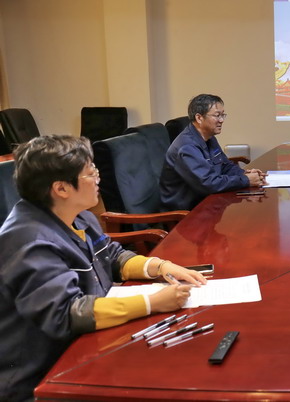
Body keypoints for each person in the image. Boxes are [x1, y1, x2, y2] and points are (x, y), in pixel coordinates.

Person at [0, 136, 207, 401]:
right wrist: (151, 303)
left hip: (87, 347)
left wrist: (160, 266)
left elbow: (112, 256)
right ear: (61, 188)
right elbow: (67, 313)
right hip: (41, 379)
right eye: (90, 172)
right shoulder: (29, 241)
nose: (98, 177)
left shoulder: (78, 216)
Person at [160, 94, 266, 210]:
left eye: (223, 115)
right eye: (217, 115)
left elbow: (225, 166)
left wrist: (244, 174)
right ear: (199, 118)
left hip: (206, 202)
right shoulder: (186, 147)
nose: (221, 120)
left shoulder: (209, 137)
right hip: (186, 213)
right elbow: (208, 183)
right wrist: (246, 180)